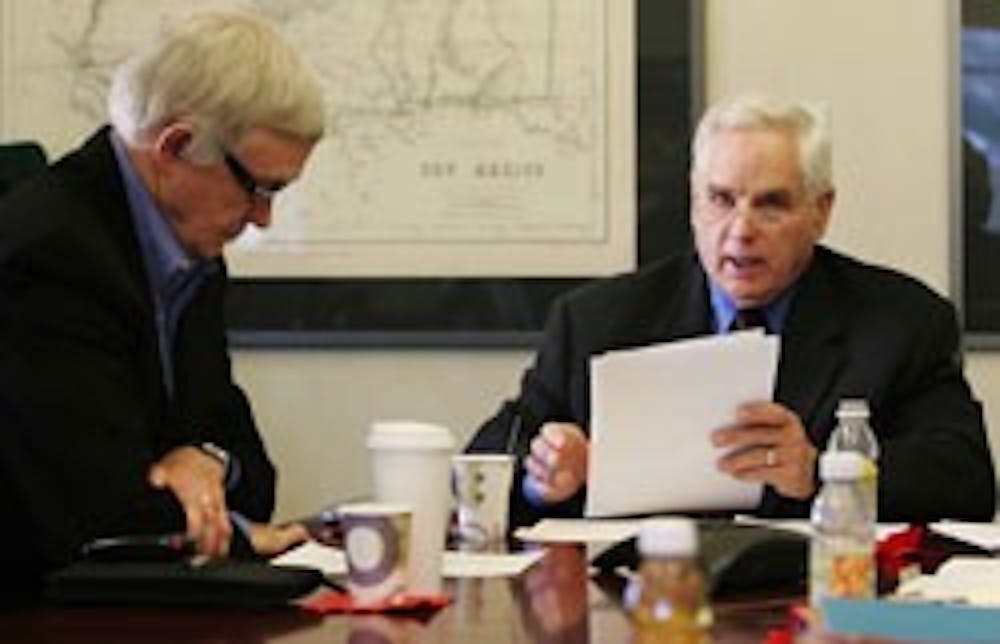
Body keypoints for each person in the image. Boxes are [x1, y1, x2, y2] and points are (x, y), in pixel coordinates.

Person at [468, 94, 997, 530]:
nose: (740, 230)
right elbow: (485, 465)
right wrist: (543, 476)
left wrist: (822, 471)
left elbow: (966, 481)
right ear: (694, 205)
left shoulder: (902, 321)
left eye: (771, 204)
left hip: (817, 604)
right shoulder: (596, 321)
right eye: (721, 200)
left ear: (821, 211)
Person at [0, 12, 326, 599]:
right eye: (259, 187)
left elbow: (255, 477)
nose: (263, 219)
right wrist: (242, 535)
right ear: (175, 146)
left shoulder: (191, 255)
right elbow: (106, 522)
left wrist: (205, 458)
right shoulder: (48, 255)